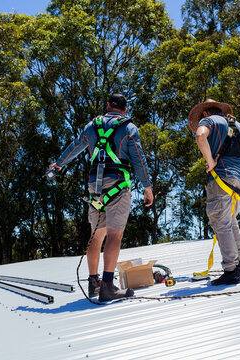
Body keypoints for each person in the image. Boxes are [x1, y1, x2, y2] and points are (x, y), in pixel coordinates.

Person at [49, 94, 154, 301]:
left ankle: (93, 282)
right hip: (118, 185)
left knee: (96, 235)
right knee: (114, 235)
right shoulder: (129, 128)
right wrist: (147, 186)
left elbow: (75, 146)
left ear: (107, 106)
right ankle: (108, 286)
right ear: (124, 110)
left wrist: (58, 165)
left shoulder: (91, 126)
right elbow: (138, 159)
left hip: (94, 187)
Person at [188, 99, 240, 285]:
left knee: (221, 222)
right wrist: (238, 172)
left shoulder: (208, 122)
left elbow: (200, 136)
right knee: (231, 220)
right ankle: (238, 262)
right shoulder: (239, 126)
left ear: (204, 113)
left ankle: (231, 269)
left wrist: (210, 163)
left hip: (221, 178)